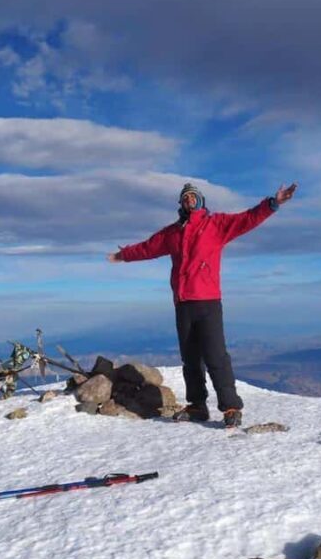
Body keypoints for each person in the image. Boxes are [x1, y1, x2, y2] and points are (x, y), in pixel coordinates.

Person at [107, 181, 297, 428]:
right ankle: (197, 407)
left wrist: (272, 203)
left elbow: (247, 219)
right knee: (190, 359)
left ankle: (230, 407)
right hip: (183, 303)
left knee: (216, 355)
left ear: (200, 201)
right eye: (185, 198)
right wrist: (123, 255)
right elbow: (149, 247)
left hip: (208, 301)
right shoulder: (173, 233)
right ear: (181, 204)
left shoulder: (215, 225)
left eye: (193, 197)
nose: (189, 201)